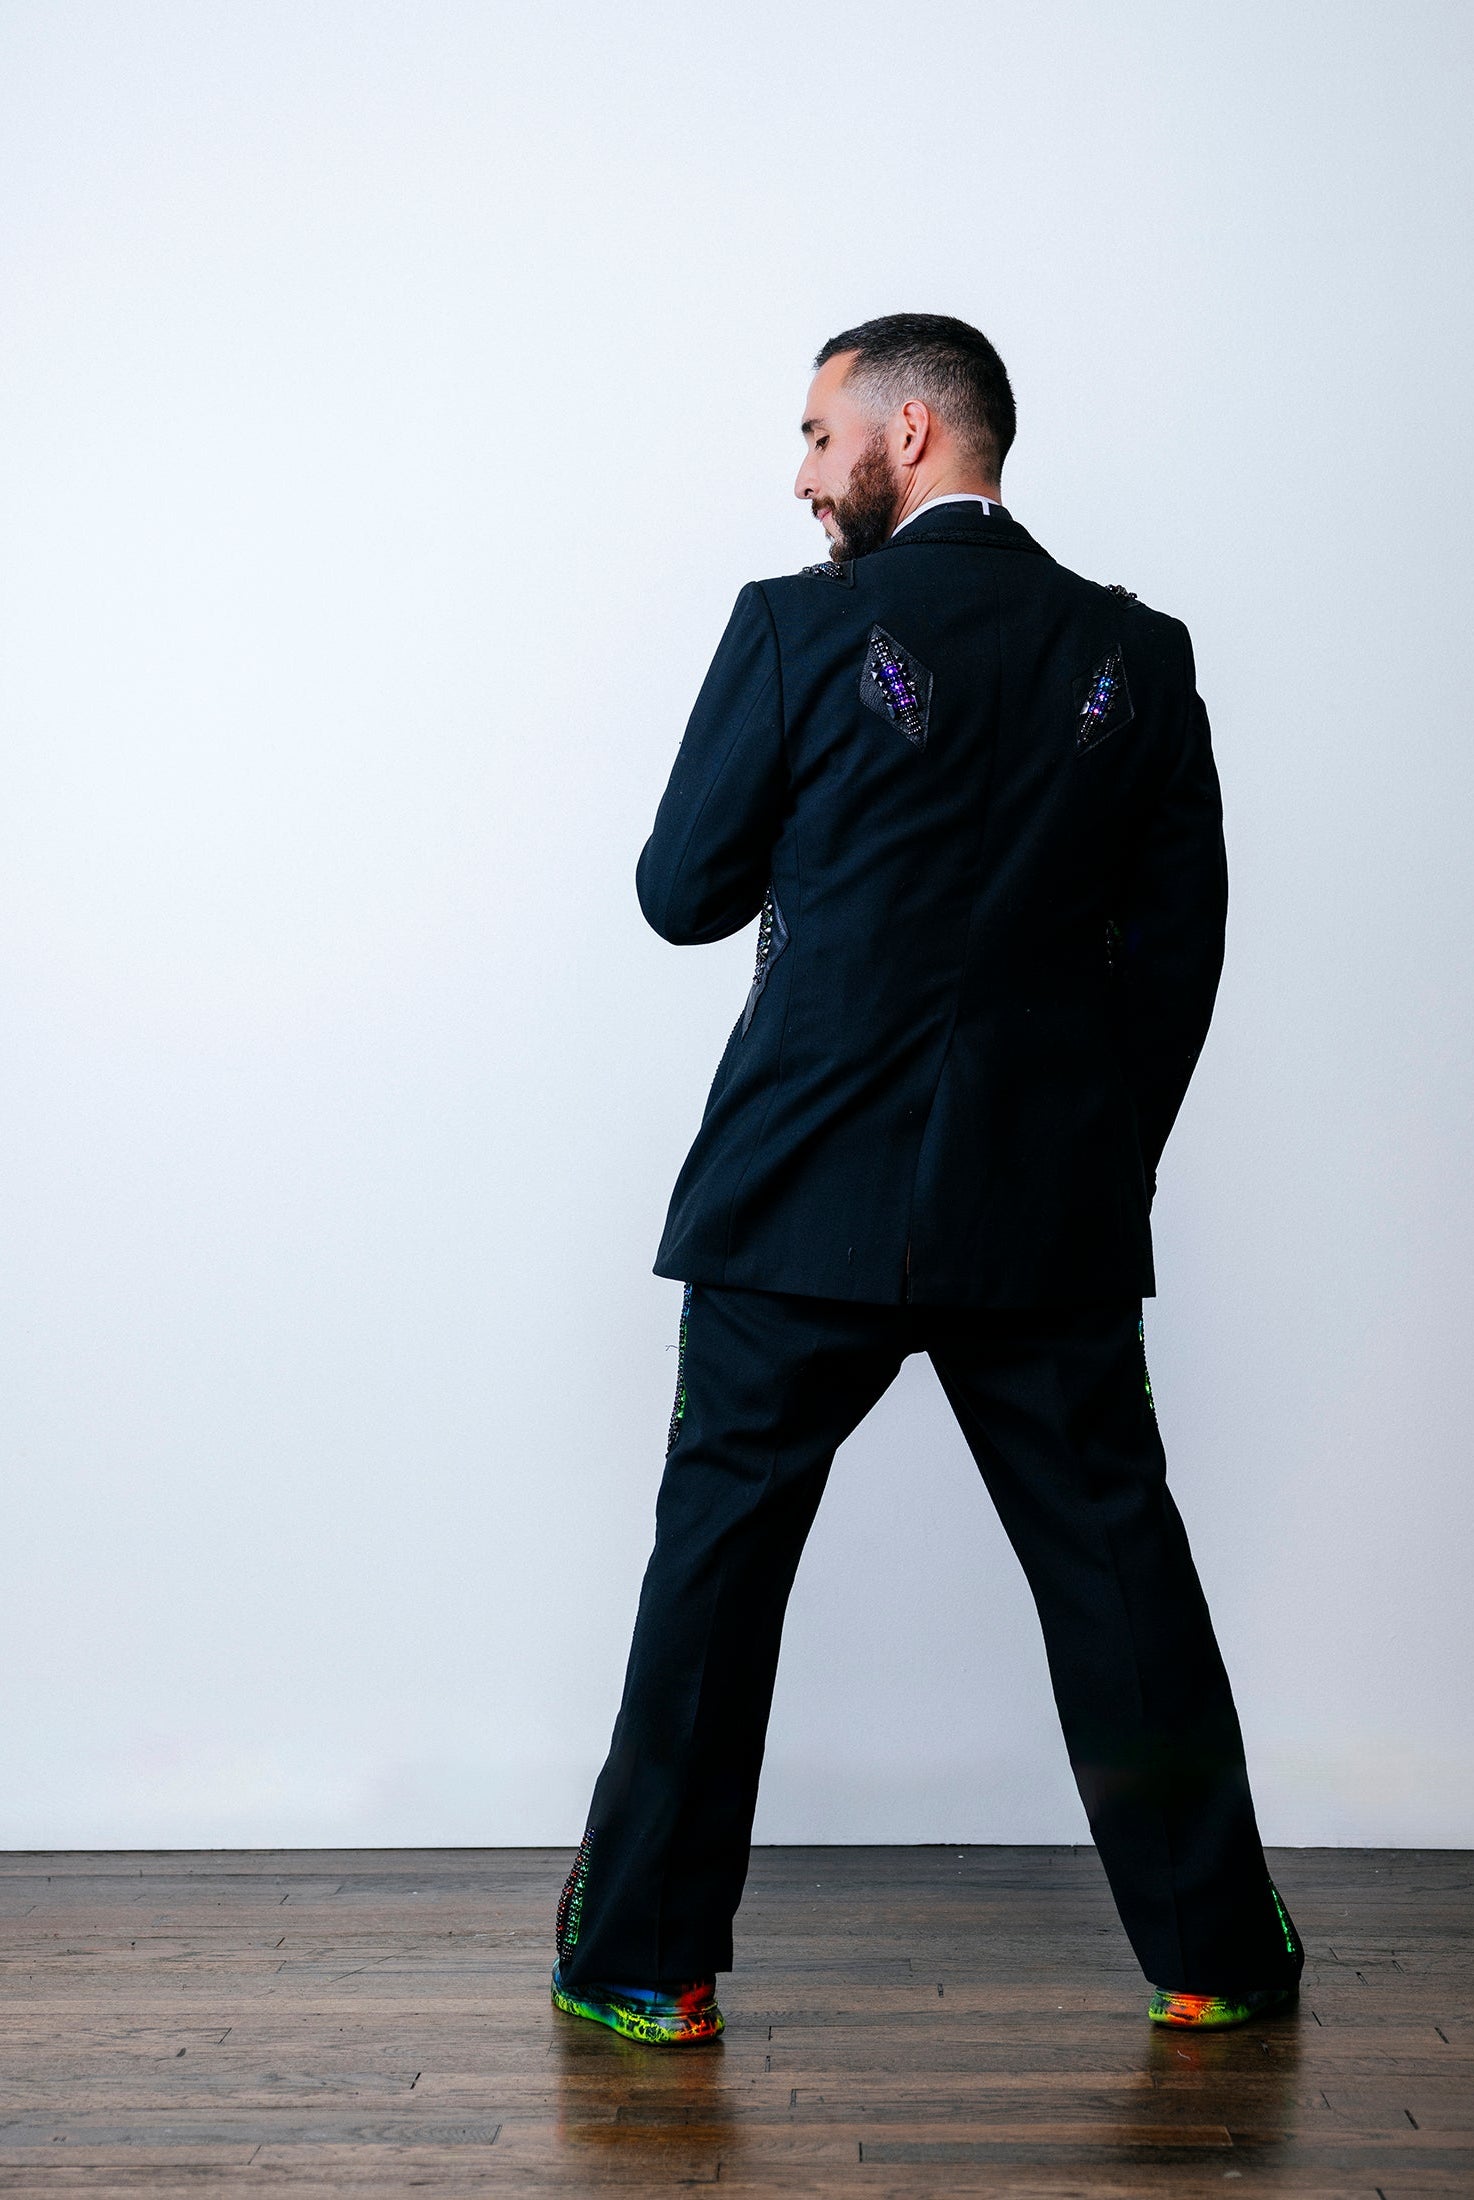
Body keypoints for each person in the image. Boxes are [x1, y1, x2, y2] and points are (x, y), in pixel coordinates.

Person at [550, 314, 1303, 2046]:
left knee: (714, 1575)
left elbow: (681, 893)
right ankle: (1215, 1954)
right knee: (1115, 1569)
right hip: (1043, 1212)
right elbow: (1176, 962)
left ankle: (647, 1963)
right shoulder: (1135, 652)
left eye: (818, 437)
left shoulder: (793, 628)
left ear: (907, 432)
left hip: (793, 1194)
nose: (802, 477)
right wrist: (1094, 1163)